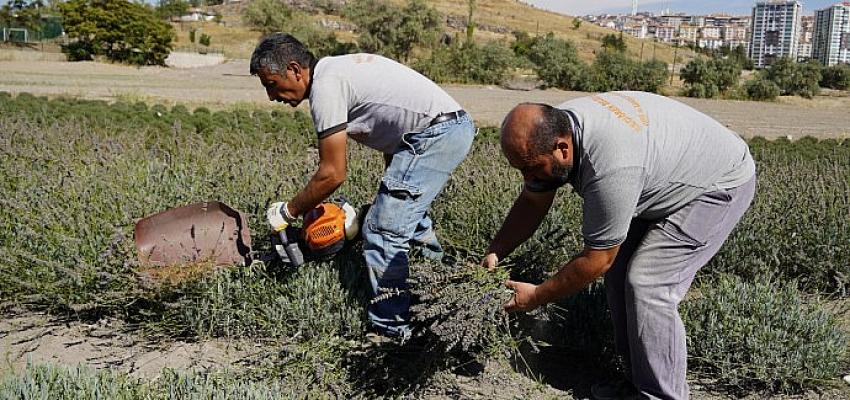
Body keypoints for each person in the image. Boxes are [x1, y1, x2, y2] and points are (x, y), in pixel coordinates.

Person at [482, 92, 756, 400]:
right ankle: (637, 383)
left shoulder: (609, 167)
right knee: (619, 277)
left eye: (532, 168)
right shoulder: (557, 131)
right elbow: (534, 199)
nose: (528, 177)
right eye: (520, 169)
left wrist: (536, 296)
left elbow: (597, 260)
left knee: (648, 284)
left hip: (717, 184)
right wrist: (497, 249)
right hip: (661, 174)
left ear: (562, 148)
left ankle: (662, 396)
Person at [251, 33, 476, 341]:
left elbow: (332, 174)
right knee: (408, 224)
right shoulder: (334, 71)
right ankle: (443, 297)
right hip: (442, 129)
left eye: (271, 84)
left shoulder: (326, 88)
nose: (271, 97)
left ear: (293, 69)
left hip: (437, 132)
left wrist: (287, 212)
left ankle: (393, 333)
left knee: (383, 232)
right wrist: (393, 199)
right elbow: (394, 125)